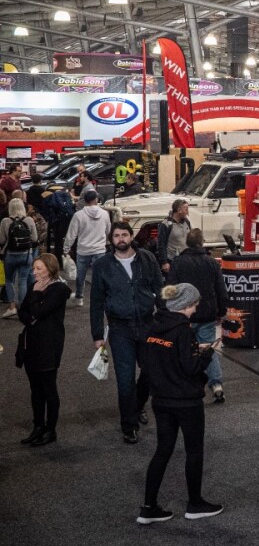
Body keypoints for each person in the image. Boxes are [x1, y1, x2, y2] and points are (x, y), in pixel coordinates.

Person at [137, 283, 223, 525]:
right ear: (184, 305)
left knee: (162, 450)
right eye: (194, 304)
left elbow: (152, 360)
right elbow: (190, 367)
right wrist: (206, 354)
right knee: (194, 451)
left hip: (160, 399)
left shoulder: (154, 325)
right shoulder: (183, 331)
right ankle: (195, 504)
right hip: (186, 401)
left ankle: (148, 507)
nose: (195, 309)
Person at [90, 221, 164, 444]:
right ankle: (129, 426)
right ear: (111, 240)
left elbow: (159, 289)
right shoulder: (103, 265)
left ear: (131, 237)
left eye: (124, 235)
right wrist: (97, 335)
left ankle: (138, 405)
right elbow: (96, 301)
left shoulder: (147, 259)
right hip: (120, 328)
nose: (120, 239)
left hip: (147, 324)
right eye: (116, 236)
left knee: (151, 372)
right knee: (124, 380)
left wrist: (169, 319)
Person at [168, 229, 229, 404]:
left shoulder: (178, 262)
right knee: (208, 349)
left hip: (184, 314)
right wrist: (222, 311)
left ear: (187, 242)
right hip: (207, 314)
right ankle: (216, 385)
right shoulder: (211, 262)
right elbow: (221, 290)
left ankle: (185, 385)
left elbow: (170, 288)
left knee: (184, 350)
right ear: (202, 242)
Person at [17, 253, 70, 447]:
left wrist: (36, 298)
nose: (35, 272)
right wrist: (31, 317)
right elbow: (23, 311)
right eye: (34, 268)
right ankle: (37, 426)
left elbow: (39, 310)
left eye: (39, 268)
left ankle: (50, 429)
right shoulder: (34, 286)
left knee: (48, 388)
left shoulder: (60, 289)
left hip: (50, 344)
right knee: (35, 389)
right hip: (31, 342)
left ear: (50, 268)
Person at [63, 189, 111, 307]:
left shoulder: (78, 215)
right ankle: (100, 297)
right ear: (96, 199)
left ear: (85, 201)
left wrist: (66, 248)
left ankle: (79, 297)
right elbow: (108, 230)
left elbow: (71, 234)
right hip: (99, 249)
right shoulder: (105, 214)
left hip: (83, 249)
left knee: (81, 275)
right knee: (99, 275)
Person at [0, 198, 39, 318]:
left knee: (9, 280)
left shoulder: (5, 221)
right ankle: (22, 308)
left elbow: (1, 240)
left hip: (10, 255)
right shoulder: (29, 220)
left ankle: (12, 307)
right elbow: (34, 238)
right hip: (26, 255)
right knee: (22, 281)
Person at [156, 199, 191, 274]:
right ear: (179, 210)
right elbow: (161, 244)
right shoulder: (166, 225)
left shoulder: (187, 222)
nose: (187, 212)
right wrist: (164, 262)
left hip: (186, 261)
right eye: (186, 210)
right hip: (172, 262)